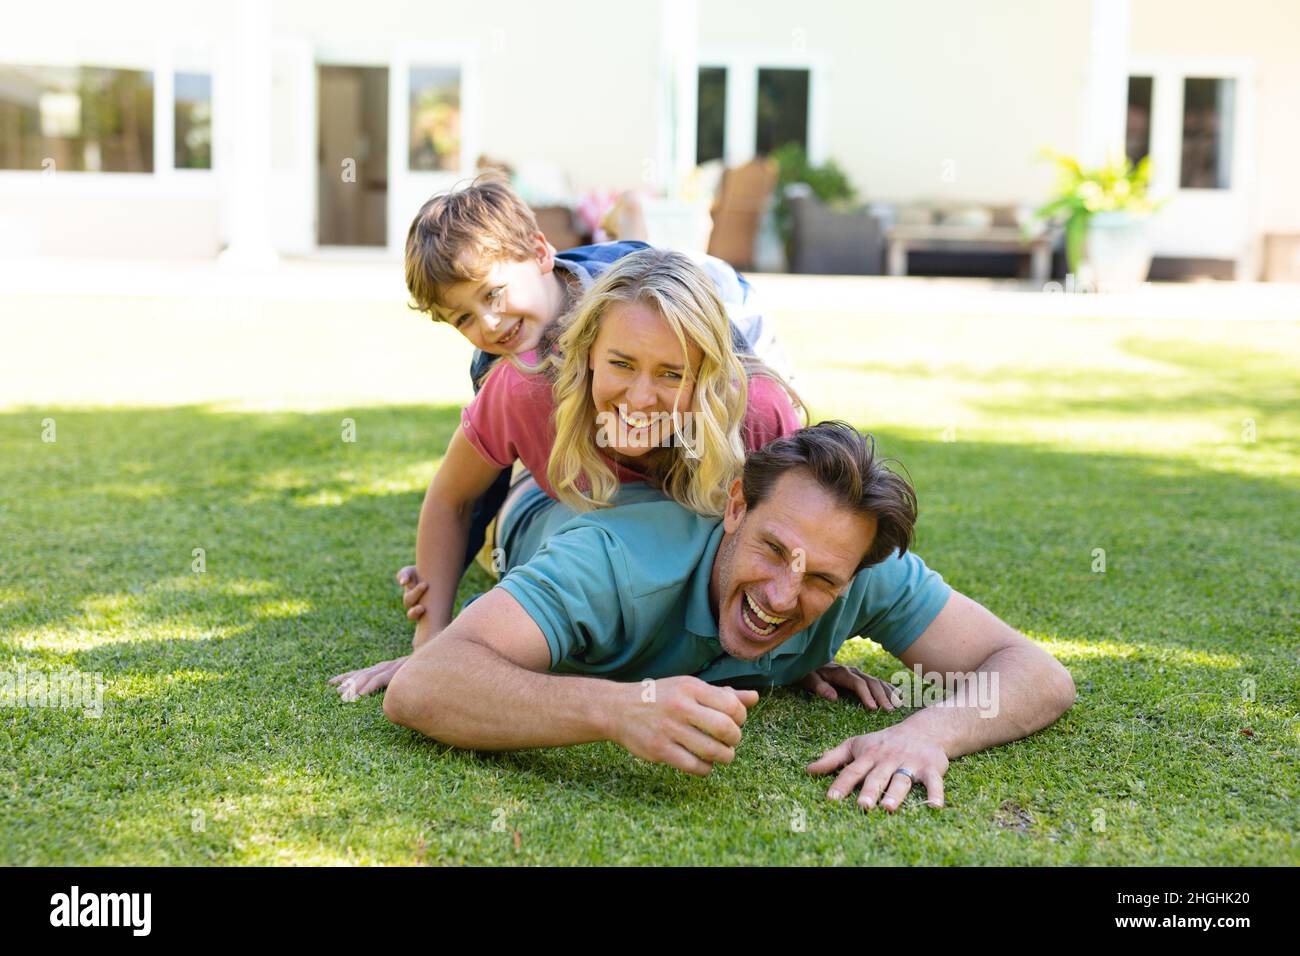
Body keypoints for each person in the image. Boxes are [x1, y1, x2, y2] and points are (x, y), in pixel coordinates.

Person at [380, 422, 1077, 812]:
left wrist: (929, 732)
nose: (780, 595)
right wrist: (619, 710)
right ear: (736, 507)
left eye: (821, 580)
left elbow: (1036, 674)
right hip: (541, 503)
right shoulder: (612, 563)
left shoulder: (862, 570)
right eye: (772, 549)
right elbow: (427, 686)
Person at [330, 248, 803, 698]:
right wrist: (431, 645)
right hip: (548, 499)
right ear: (589, 351)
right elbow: (454, 499)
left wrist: (797, 649)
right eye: (621, 364)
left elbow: (800, 537)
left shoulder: (757, 412)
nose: (639, 399)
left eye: (670, 374)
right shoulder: (526, 388)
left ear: (705, 375)